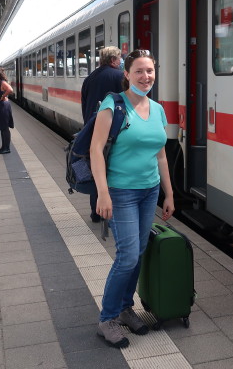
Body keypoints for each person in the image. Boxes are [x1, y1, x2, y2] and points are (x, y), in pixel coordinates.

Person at [91, 49, 175, 348]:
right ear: (126, 74)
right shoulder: (113, 105)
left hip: (149, 190)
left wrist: (169, 192)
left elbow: (161, 154)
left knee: (138, 252)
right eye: (139, 71)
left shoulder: (158, 109)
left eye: (150, 71)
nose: (146, 76)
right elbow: (96, 150)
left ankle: (126, 308)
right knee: (127, 255)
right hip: (121, 191)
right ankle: (108, 319)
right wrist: (103, 192)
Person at [81, 46, 124, 222]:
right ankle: (114, 212)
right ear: (114, 60)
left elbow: (84, 104)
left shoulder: (90, 78)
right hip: (116, 132)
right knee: (114, 171)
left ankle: (96, 211)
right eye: (120, 59)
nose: (121, 61)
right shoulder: (120, 76)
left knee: (97, 171)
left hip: (93, 130)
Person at [0, 66, 14, 154]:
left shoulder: (2, 83)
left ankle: (7, 148)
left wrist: (3, 96)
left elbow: (10, 89)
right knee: (2, 127)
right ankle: (3, 147)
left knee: (4, 128)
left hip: (3, 107)